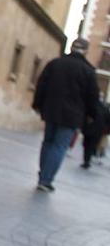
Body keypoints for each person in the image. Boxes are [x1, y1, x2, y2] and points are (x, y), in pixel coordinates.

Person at [32, 38, 101, 190]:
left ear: (71, 48)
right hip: (72, 116)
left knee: (48, 142)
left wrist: (38, 104)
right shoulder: (88, 71)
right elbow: (92, 97)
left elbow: (42, 84)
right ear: (86, 51)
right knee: (59, 146)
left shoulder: (55, 64)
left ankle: (43, 174)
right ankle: (45, 180)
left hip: (51, 110)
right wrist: (92, 115)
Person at [81, 100, 109, 169]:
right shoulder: (105, 109)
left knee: (86, 144)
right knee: (91, 145)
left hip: (89, 128)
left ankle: (86, 160)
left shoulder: (92, 105)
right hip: (98, 130)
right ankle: (87, 160)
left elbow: (85, 115)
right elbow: (108, 120)